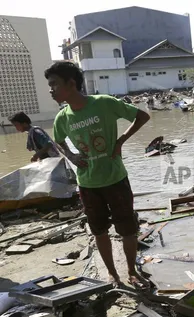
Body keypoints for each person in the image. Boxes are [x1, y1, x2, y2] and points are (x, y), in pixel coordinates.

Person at [46, 61, 150, 289]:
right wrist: (72, 157)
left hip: (116, 179)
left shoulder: (104, 103)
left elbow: (142, 116)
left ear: (71, 84)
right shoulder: (62, 118)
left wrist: (121, 140)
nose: (50, 89)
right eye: (49, 85)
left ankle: (132, 271)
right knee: (99, 231)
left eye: (54, 84)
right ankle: (113, 274)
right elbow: (60, 141)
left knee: (128, 230)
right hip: (88, 184)